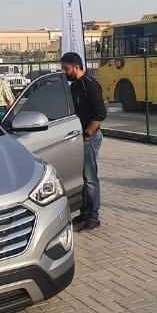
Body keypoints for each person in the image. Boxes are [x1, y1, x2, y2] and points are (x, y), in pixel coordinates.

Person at [61, 52, 106, 232]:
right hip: (77, 137)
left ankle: (93, 217)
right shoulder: (75, 86)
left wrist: (87, 133)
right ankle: (84, 212)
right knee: (81, 177)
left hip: (89, 137)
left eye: (66, 68)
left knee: (90, 178)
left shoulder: (90, 85)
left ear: (76, 66)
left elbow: (100, 114)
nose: (65, 72)